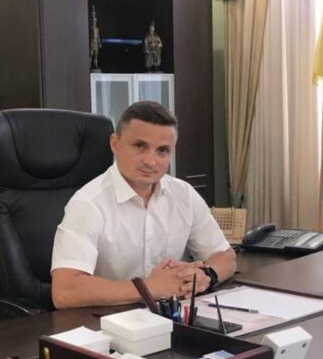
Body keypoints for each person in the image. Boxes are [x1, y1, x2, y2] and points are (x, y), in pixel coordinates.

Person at [51, 101, 236, 309]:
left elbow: (225, 256)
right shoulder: (88, 204)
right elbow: (65, 291)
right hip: (109, 319)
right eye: (140, 146)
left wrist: (204, 275)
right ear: (115, 144)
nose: (151, 161)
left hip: (172, 315)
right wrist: (150, 288)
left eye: (162, 150)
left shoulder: (183, 194)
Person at [89, 5, 102, 72]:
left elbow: (98, 36)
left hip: (96, 42)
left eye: (95, 21)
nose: (94, 22)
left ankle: (95, 65)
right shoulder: (91, 28)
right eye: (94, 21)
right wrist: (93, 10)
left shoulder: (97, 29)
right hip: (92, 42)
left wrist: (99, 43)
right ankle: (89, 65)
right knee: (91, 54)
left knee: (96, 55)